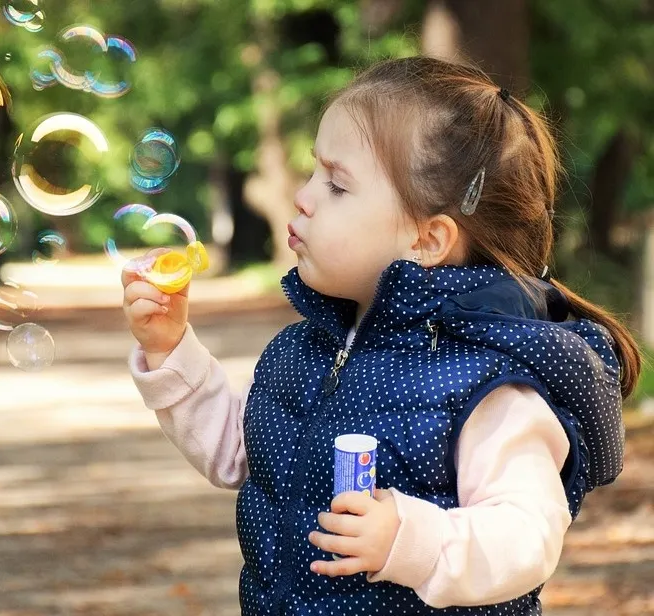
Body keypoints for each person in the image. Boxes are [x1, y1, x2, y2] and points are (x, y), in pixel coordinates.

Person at [121, 55, 639, 615]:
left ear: (427, 239)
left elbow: (526, 535)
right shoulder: (304, 351)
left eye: (338, 185)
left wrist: (409, 540)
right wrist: (171, 349)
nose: (304, 196)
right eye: (314, 171)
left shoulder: (486, 382)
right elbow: (242, 453)